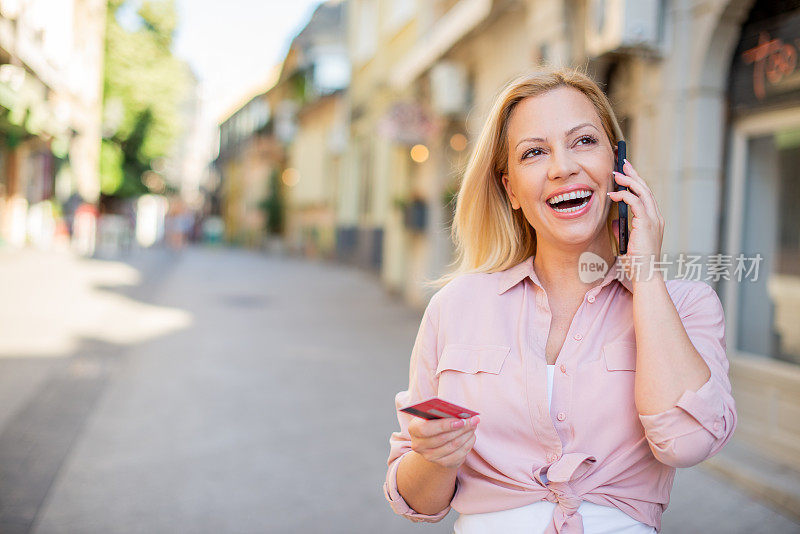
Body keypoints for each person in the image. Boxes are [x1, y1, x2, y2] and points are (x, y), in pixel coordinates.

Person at [383, 65, 737, 534]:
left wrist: (645, 272)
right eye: (534, 152)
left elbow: (688, 443)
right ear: (510, 189)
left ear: (618, 163)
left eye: (584, 141)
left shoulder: (688, 305)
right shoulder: (456, 306)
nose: (562, 167)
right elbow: (417, 501)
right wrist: (435, 457)